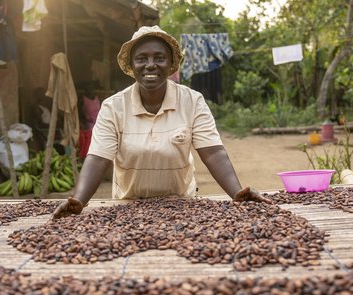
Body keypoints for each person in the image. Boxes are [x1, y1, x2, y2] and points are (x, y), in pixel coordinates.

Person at [52, 25, 271, 219]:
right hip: (127, 207)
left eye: (159, 58)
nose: (150, 65)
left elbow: (212, 152)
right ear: (132, 64)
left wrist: (237, 193)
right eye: (141, 58)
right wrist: (79, 200)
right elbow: (98, 159)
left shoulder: (192, 101)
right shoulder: (113, 107)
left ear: (171, 64)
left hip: (183, 206)